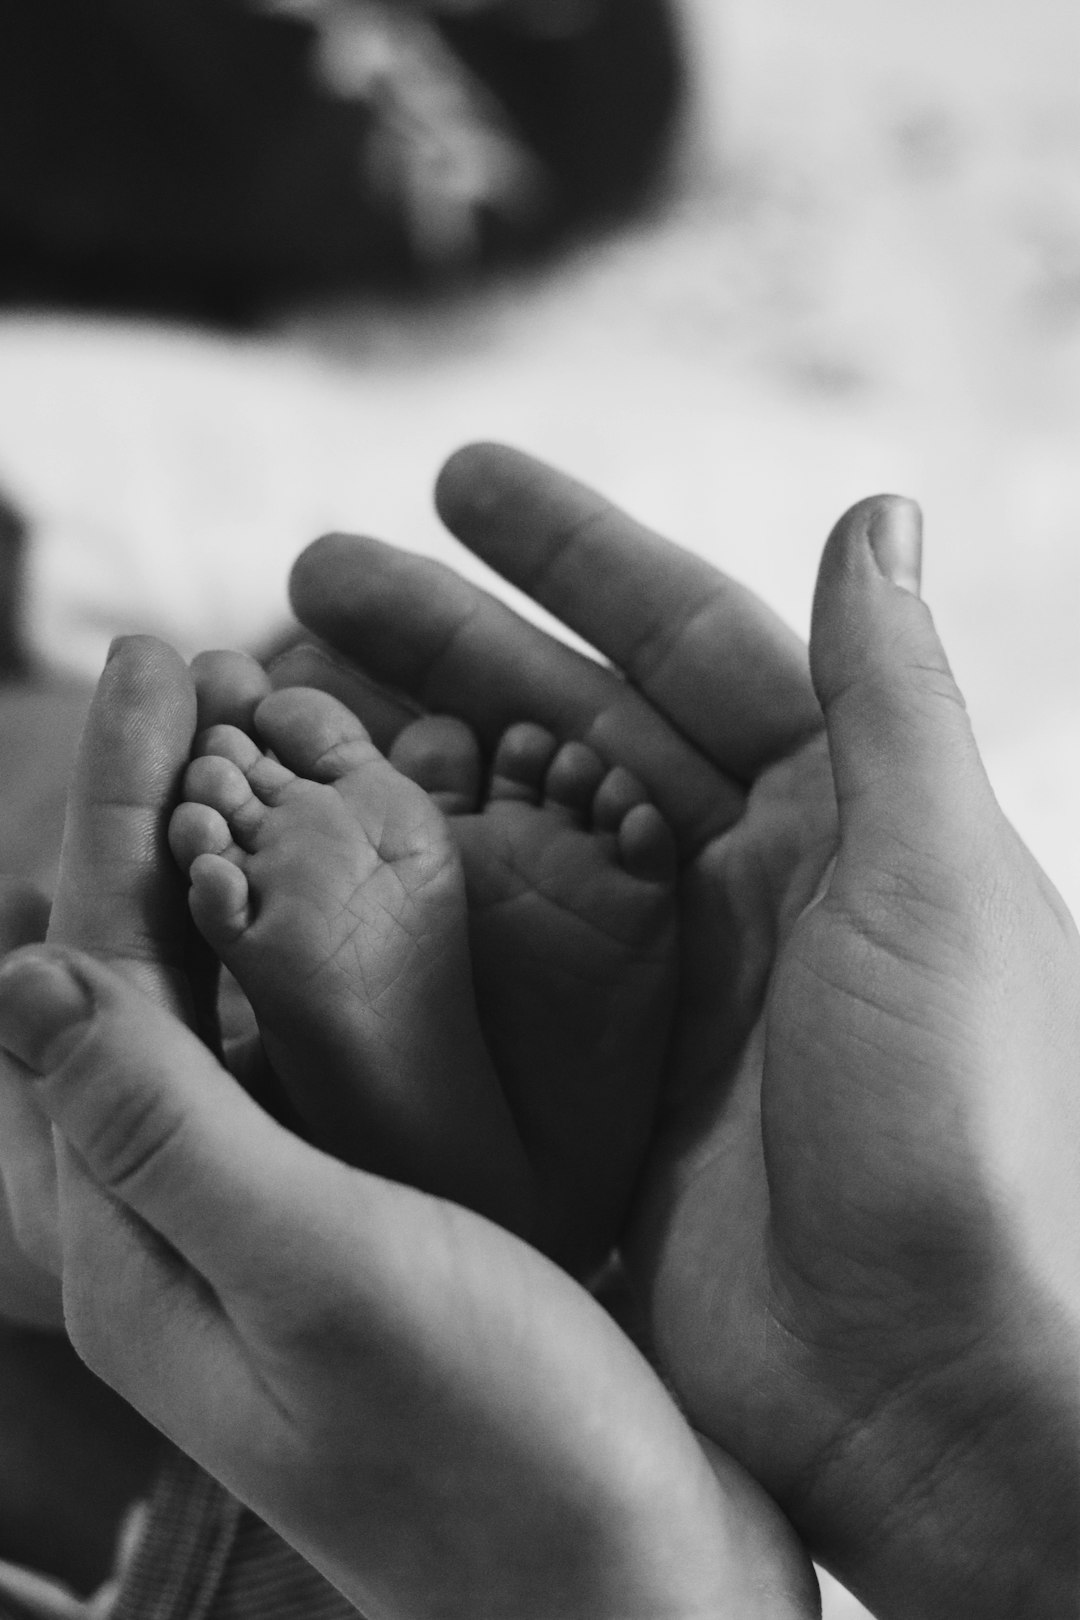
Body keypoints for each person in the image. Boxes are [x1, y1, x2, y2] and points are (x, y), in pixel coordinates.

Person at [1, 443, 1077, 1616]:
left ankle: (362, 1132)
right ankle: (402, 1138)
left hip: (443, 1475)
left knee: (139, 828)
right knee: (150, 815)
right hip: (479, 1461)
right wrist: (979, 1419)